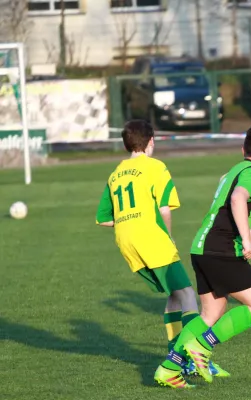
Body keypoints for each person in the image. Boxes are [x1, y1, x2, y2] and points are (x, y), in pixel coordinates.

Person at [94, 120, 227, 389]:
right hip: (151, 239)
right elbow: (165, 209)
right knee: (189, 294)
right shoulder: (156, 167)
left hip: (125, 241)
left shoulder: (115, 173)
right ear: (151, 141)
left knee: (175, 295)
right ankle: (187, 358)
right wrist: (167, 238)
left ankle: (173, 351)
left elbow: (104, 219)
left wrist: (130, 221)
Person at [158, 125, 251, 386]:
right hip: (221, 250)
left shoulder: (232, 171)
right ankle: (203, 346)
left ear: (243, 149)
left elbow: (227, 212)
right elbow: (237, 200)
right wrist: (246, 241)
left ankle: (169, 368)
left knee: (211, 313)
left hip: (202, 247)